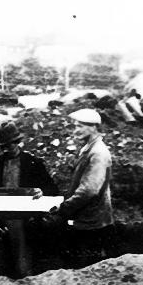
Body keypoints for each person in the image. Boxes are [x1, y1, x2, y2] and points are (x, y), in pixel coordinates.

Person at [0, 121, 58, 277]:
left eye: (12, 143)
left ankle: (24, 276)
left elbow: (52, 189)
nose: (9, 148)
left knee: (22, 252)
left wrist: (41, 192)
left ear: (17, 142)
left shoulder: (32, 163)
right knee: (1, 252)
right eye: (5, 145)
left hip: (24, 217)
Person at [49, 108, 114, 267]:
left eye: (80, 126)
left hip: (92, 220)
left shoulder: (98, 153)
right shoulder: (89, 149)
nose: (75, 130)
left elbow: (89, 190)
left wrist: (65, 207)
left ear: (93, 127)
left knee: (88, 266)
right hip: (86, 217)